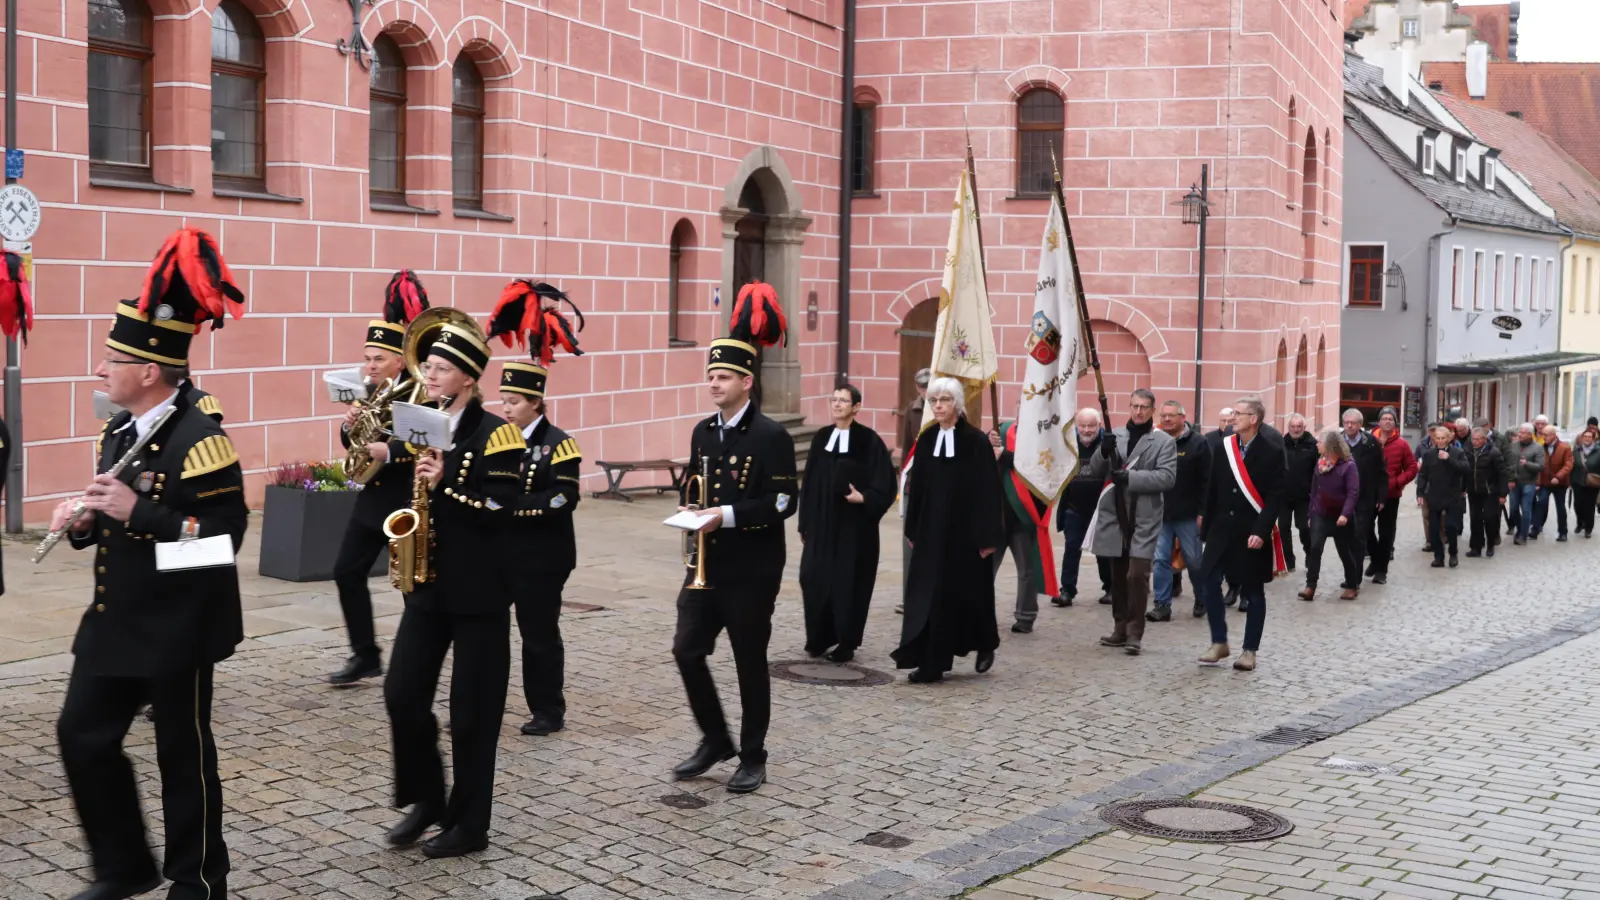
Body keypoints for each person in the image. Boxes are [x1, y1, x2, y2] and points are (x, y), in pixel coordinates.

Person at [54, 228, 248, 900]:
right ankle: (124, 867)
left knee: (183, 759)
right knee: (81, 734)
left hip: (179, 624)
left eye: (111, 361)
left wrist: (141, 514)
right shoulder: (120, 429)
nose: (99, 371)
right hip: (118, 618)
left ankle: (197, 882)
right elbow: (112, 513)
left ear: (148, 371)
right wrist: (84, 519)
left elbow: (223, 546)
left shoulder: (202, 441)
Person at [383, 311, 525, 857]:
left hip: (480, 593)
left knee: (473, 714)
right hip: (429, 586)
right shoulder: (424, 420)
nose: (432, 374)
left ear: (469, 377)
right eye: (430, 366)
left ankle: (470, 825)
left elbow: (501, 506)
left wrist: (446, 485)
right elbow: (399, 468)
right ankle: (427, 799)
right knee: (401, 695)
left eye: (442, 368)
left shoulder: (500, 435)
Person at [669, 282, 797, 794]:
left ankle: (753, 754)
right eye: (710, 377)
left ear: (747, 381)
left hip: (751, 568)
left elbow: (784, 502)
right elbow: (692, 481)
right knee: (685, 650)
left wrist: (723, 514)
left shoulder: (771, 436)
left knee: (748, 661)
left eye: (722, 377)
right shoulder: (703, 430)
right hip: (705, 563)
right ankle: (715, 737)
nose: (713, 385)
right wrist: (690, 508)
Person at [487, 279, 586, 738]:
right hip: (501, 552)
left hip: (542, 556)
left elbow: (563, 497)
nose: (504, 408)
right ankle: (483, 702)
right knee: (486, 633)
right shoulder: (497, 439)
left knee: (538, 634)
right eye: (503, 400)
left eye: (512, 402)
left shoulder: (559, 444)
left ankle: (548, 709)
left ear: (535, 403)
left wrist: (511, 508)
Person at [327, 270, 430, 686]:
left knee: (411, 586)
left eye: (378, 359)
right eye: (367, 358)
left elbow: (428, 440)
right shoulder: (369, 391)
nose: (369, 367)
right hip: (373, 497)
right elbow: (354, 443)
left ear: (400, 361)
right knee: (345, 570)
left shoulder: (419, 391)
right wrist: (349, 424)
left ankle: (418, 659)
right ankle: (365, 654)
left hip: (407, 496)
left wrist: (393, 451)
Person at [894, 376, 1003, 683]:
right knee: (931, 596)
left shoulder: (975, 441)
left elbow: (988, 492)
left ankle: (984, 644)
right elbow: (919, 488)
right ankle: (932, 662)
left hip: (966, 537)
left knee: (971, 595)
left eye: (944, 400)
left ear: (958, 404)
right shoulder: (927, 440)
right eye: (933, 401)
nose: (938, 405)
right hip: (931, 533)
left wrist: (988, 537)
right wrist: (913, 530)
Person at [799, 383, 895, 658]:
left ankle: (846, 642)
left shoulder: (869, 441)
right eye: (834, 400)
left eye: (843, 401)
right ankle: (818, 637)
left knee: (848, 583)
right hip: (821, 524)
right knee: (812, 576)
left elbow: (886, 484)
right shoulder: (821, 438)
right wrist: (804, 521)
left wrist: (864, 498)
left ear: (856, 407)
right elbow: (808, 483)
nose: (837, 404)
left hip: (854, 528)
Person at [1197, 396, 1284, 673]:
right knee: (1208, 580)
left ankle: (1249, 650)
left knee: (1253, 590)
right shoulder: (1224, 446)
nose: (1233, 417)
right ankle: (1219, 641)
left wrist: (1262, 530)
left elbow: (1276, 496)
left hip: (1251, 531)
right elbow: (1212, 487)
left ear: (1253, 419)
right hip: (1221, 529)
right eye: (1233, 413)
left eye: (1239, 413)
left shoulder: (1272, 450)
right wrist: (1206, 525)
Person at [1088, 389, 1176, 654]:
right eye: (1134, 406)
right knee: (1117, 575)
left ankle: (1135, 632)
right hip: (1115, 513)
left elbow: (1167, 478)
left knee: (1137, 574)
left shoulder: (1162, 441)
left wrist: (1131, 478)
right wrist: (1103, 452)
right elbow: (1095, 470)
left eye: (1144, 407)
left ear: (1152, 410)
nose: (1138, 412)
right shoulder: (1116, 435)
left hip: (1145, 515)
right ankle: (1120, 628)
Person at [993, 417, 1058, 633]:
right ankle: (980, 614)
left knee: (1027, 569)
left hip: (1024, 513)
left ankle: (1026, 615)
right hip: (997, 512)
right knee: (985, 570)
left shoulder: (1045, 434)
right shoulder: (1002, 430)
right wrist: (988, 442)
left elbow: (1040, 465)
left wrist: (1006, 456)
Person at [1149, 400, 1209, 622]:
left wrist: (1203, 512)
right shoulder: (1154, 441)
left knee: (1193, 560)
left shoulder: (1198, 443)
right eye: (1163, 415)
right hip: (1160, 514)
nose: (1166, 419)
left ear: (1183, 418)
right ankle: (1162, 605)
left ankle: (1202, 598)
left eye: (1171, 415)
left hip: (1189, 514)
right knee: (1160, 560)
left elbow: (1206, 480)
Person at [1055, 408, 1113, 608]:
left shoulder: (1107, 445)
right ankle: (1067, 591)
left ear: (1099, 425)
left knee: (1103, 551)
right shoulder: (1069, 444)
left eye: (1091, 425)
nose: (1087, 430)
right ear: (1077, 427)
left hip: (1101, 509)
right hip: (1074, 507)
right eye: (1083, 426)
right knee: (1071, 549)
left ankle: (1110, 588)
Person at [1298, 430, 1361, 601]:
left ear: (1330, 445)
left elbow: (1353, 492)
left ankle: (1351, 585)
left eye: (1319, 442)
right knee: (1315, 548)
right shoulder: (1320, 464)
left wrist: (1345, 514)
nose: (1317, 444)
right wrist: (1311, 514)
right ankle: (1310, 586)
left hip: (1340, 516)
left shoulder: (1348, 465)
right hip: (1320, 513)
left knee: (1344, 551)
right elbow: (1314, 490)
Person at [1367, 407, 1417, 584]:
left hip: (1390, 494)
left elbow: (1412, 468)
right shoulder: (1369, 440)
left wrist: (1397, 481)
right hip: (1369, 493)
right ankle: (1374, 558)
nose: (1387, 421)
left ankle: (1382, 570)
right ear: (1379, 421)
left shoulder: (1401, 444)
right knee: (1365, 529)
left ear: (1395, 422)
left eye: (1391, 419)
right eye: (1384, 418)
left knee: (1386, 533)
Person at [1416, 424, 1469, 568]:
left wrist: (1449, 459)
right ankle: (1438, 556)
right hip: (1434, 495)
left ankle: (1453, 553)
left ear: (1449, 438)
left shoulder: (1457, 452)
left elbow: (1465, 469)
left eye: (1443, 438)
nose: (1440, 441)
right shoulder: (1429, 454)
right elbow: (1423, 475)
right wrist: (1420, 493)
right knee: (1434, 528)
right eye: (1437, 438)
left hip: (1452, 495)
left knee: (1451, 527)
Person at [1341, 409, 1385, 581]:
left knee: (1359, 538)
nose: (1349, 426)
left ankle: (1354, 579)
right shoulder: (1337, 442)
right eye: (1346, 422)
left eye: (1353, 422)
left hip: (1364, 497)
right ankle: (1351, 575)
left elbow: (1381, 471)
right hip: (1342, 498)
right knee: (1345, 539)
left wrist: (1381, 497)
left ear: (1360, 424)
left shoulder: (1371, 443)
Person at [1279, 414, 1317, 573]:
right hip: (1284, 495)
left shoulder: (1313, 445)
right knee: (1283, 528)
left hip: (1304, 496)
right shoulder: (1281, 443)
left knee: (1304, 528)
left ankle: (1310, 554)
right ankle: (1288, 560)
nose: (1295, 430)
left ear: (1304, 427)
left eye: (1298, 427)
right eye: (1293, 427)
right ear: (1288, 428)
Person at [1463, 426, 1507, 557]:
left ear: (1484, 439)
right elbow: (1464, 472)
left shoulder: (1494, 453)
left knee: (1489, 518)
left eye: (1477, 439)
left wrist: (1503, 494)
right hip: (1473, 491)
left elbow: (1502, 474)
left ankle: (1490, 544)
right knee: (1475, 520)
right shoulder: (1468, 451)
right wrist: (1462, 488)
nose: (1474, 442)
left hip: (1489, 491)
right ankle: (1475, 547)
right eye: (1473, 439)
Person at [1533, 424, 1573, 541]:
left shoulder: (1564, 448)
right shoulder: (1540, 447)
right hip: (1545, 482)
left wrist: (1558, 477)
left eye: (1546, 435)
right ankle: (1535, 529)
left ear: (1554, 435)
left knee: (1560, 507)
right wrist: (1538, 483)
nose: (1543, 437)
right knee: (1541, 503)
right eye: (1542, 434)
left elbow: (1568, 465)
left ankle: (1562, 532)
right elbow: (1539, 466)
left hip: (1560, 483)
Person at [1507, 423, 1546, 545]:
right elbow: (1508, 463)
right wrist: (1510, 479)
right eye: (1519, 432)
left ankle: (1523, 535)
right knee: (1513, 508)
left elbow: (1541, 466)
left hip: (1529, 482)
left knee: (1526, 509)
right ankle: (1520, 528)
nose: (1519, 434)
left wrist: (1527, 464)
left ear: (1530, 435)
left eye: (1523, 433)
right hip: (1515, 482)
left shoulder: (1538, 448)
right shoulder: (1513, 446)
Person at [1573, 428, 1600, 538]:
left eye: (1590, 437)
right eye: (1585, 436)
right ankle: (1580, 523)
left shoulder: (1598, 451)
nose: (1587, 438)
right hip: (1577, 481)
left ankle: (1588, 528)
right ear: (1582, 438)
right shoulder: (1576, 451)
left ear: (1593, 439)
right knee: (1578, 504)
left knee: (1590, 506)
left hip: (1592, 482)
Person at [900, 368, 930, 461]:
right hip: (918, 462)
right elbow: (907, 444)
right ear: (917, 388)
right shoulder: (912, 409)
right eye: (923, 387)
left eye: (929, 386)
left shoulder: (944, 408)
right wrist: (903, 472)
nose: (926, 390)